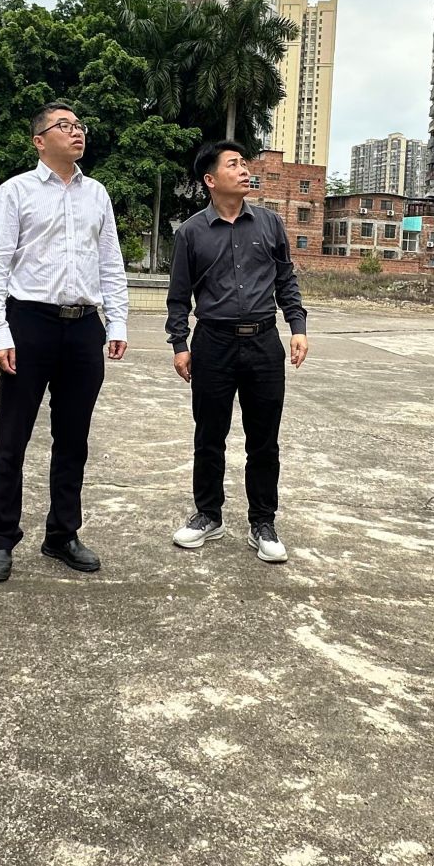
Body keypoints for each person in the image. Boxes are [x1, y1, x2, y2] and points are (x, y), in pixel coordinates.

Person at [0, 101, 130, 583]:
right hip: (29, 324)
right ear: (39, 141)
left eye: (79, 125)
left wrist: (117, 322)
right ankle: (1, 538)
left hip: (83, 327)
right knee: (13, 437)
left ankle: (62, 534)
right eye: (64, 126)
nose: (76, 132)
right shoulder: (16, 191)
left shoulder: (97, 193)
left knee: (73, 438)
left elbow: (110, 262)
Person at [165, 141, 309, 563]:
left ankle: (263, 522)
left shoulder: (270, 223)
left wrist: (297, 327)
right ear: (211, 179)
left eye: (245, 164)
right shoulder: (191, 232)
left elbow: (286, 280)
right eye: (234, 165)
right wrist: (180, 344)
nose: (245, 170)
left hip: (264, 342)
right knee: (209, 435)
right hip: (213, 343)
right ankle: (208, 515)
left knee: (263, 440)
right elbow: (178, 296)